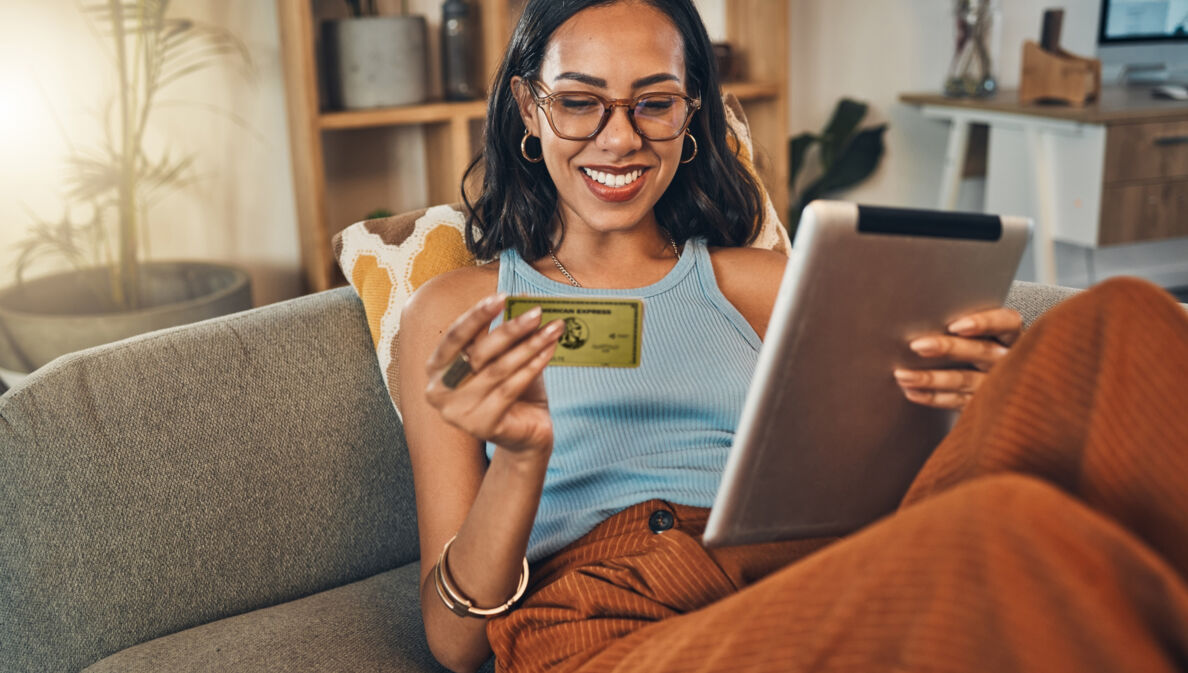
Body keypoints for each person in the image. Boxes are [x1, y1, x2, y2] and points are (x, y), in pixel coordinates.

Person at [398, 1, 1188, 672]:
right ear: (530, 109)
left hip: (794, 563)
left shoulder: (764, 280)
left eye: (654, 101)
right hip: (606, 617)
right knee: (1002, 530)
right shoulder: (461, 308)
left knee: (1125, 320)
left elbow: (875, 467)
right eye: (579, 101)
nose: (619, 138)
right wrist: (524, 459)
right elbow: (455, 641)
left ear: (692, 110)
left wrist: (979, 398)